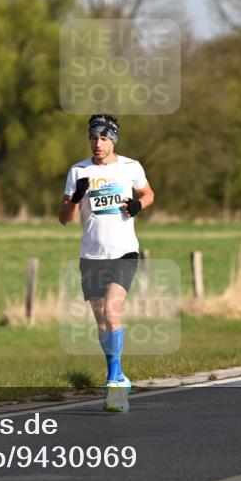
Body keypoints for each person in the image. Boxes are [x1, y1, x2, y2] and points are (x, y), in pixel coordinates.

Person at [59, 114, 155, 410]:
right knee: (102, 323)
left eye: (103, 138)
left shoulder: (130, 167)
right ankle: (119, 373)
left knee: (113, 313)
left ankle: (114, 383)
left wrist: (139, 204)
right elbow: (64, 219)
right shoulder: (78, 171)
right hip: (91, 256)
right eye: (93, 138)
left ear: (113, 139)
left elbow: (148, 193)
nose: (97, 144)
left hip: (124, 252)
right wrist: (75, 198)